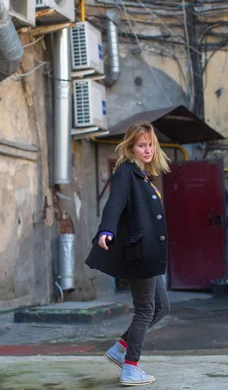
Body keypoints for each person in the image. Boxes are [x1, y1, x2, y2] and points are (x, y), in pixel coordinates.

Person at [85, 121, 171, 387]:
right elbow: (114, 205)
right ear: (131, 148)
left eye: (150, 145)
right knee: (145, 309)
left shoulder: (143, 176)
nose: (147, 150)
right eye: (142, 145)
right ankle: (130, 367)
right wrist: (105, 231)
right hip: (139, 253)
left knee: (162, 307)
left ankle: (120, 348)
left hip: (148, 253)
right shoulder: (125, 173)